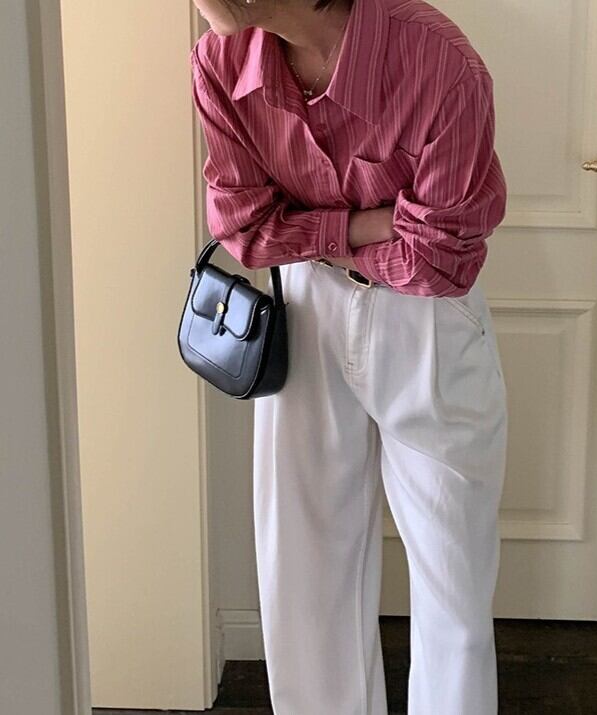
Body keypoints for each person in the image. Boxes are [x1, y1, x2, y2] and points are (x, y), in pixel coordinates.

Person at [189, 0, 508, 712]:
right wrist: (369, 224)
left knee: (452, 572)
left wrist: (307, 230)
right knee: (303, 567)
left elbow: (439, 258)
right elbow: (245, 229)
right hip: (304, 308)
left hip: (426, 319)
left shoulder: (436, 62)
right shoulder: (220, 61)